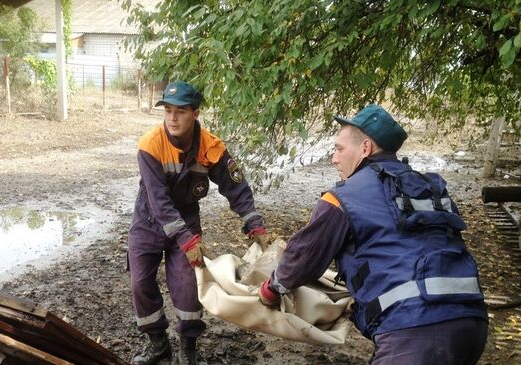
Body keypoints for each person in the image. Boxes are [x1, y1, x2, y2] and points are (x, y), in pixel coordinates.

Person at [258, 104, 488, 364]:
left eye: (339, 149)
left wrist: (272, 287)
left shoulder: (343, 197)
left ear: (365, 148)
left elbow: (304, 256)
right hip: (473, 324)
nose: (334, 158)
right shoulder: (427, 188)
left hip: (415, 332)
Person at [128, 81, 269, 365]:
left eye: (180, 111)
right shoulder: (149, 145)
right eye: (167, 111)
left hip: (187, 220)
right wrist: (186, 239)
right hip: (149, 219)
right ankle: (158, 344)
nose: (172, 118)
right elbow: (159, 201)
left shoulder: (211, 146)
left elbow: (236, 187)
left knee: (189, 287)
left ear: (195, 113)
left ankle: (187, 350)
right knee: (140, 283)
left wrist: (252, 220)